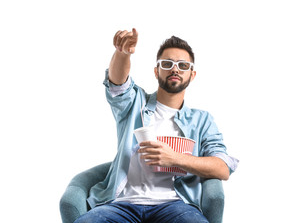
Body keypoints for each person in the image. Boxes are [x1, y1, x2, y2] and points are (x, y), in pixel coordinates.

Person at [75, 28, 238, 223]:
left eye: (183, 65)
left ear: (192, 75)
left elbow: (222, 168)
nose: (175, 69)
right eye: (167, 64)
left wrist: (175, 158)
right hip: (121, 204)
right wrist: (123, 53)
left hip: (176, 204)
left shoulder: (202, 120)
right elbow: (118, 85)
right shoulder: (135, 103)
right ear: (156, 71)